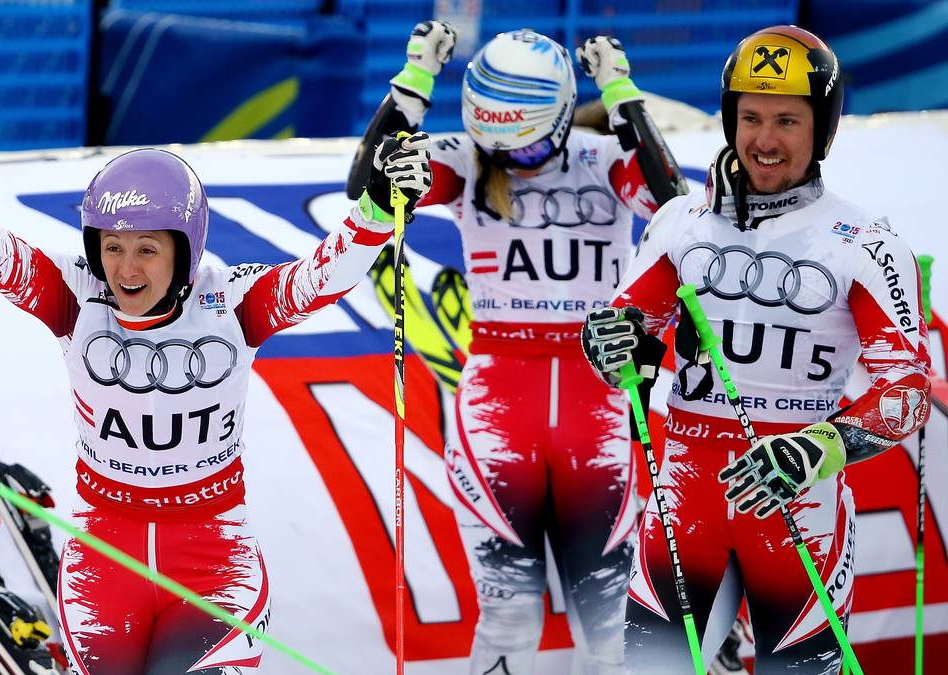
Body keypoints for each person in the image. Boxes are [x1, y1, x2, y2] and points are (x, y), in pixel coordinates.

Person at [0, 101, 433, 674]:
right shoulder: (75, 298)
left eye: (147, 250)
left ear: (185, 248)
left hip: (212, 564)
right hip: (104, 565)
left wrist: (378, 208)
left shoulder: (231, 303)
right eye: (113, 248)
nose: (127, 270)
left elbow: (321, 276)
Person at [581, 25, 931, 673]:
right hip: (687, 496)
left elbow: (908, 393)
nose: (763, 142)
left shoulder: (864, 242)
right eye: (749, 117)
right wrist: (610, 345)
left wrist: (820, 444)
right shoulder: (680, 223)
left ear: (823, 131)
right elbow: (630, 334)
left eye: (787, 121)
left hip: (798, 504)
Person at [361, 22, 687, 674]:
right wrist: (415, 80)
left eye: (531, 150)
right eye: (500, 150)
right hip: (498, 405)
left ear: (565, 118)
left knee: (611, 623)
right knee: (510, 614)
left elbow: (674, 203)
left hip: (597, 400)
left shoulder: (604, 161)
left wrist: (622, 92)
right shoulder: (463, 159)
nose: (515, 163)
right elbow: (365, 190)